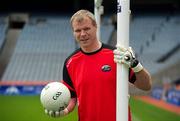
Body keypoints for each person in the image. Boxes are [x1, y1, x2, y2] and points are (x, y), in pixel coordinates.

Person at [45, 9, 152, 121]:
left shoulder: (117, 55)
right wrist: (65, 110)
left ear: (96, 27)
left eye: (86, 29)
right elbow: (72, 97)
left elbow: (146, 85)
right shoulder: (70, 63)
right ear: (73, 33)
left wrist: (135, 64)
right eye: (78, 30)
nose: (82, 34)